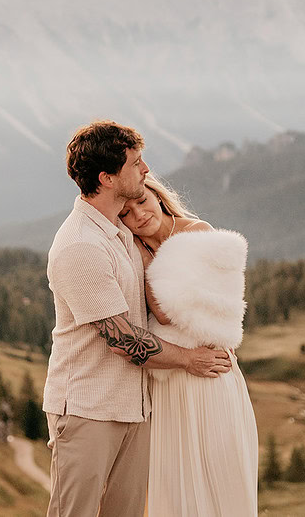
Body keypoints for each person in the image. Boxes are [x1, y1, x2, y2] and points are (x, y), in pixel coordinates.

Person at [42, 120, 232, 517]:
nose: (145, 170)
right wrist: (188, 359)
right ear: (107, 178)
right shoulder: (81, 245)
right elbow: (122, 339)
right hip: (88, 409)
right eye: (136, 163)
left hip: (134, 406)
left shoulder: (120, 230)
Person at [118, 173, 259, 516]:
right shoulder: (136, 248)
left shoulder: (198, 233)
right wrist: (141, 250)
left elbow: (166, 313)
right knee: (174, 477)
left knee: (219, 471)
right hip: (170, 378)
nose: (139, 215)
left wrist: (145, 255)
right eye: (126, 213)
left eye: (142, 201)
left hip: (208, 373)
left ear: (158, 196)